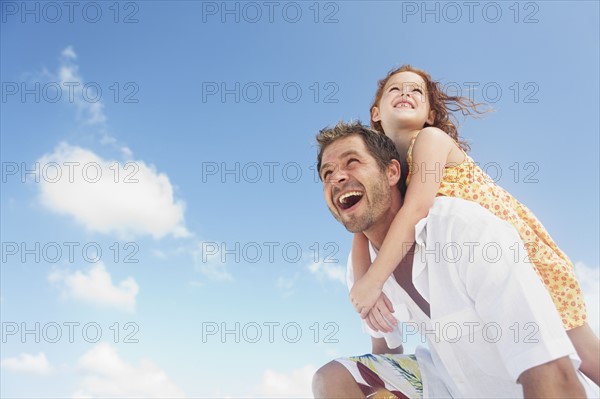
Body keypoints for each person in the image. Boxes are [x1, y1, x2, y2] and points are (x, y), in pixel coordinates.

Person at [348, 65, 599, 385]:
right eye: (395, 89)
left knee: (585, 354)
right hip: (476, 264)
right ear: (376, 112)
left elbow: (416, 209)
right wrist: (364, 286)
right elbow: (362, 223)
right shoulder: (390, 170)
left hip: (521, 254)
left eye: (416, 91)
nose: (406, 94)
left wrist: (373, 281)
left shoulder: (429, 139)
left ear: (429, 115)